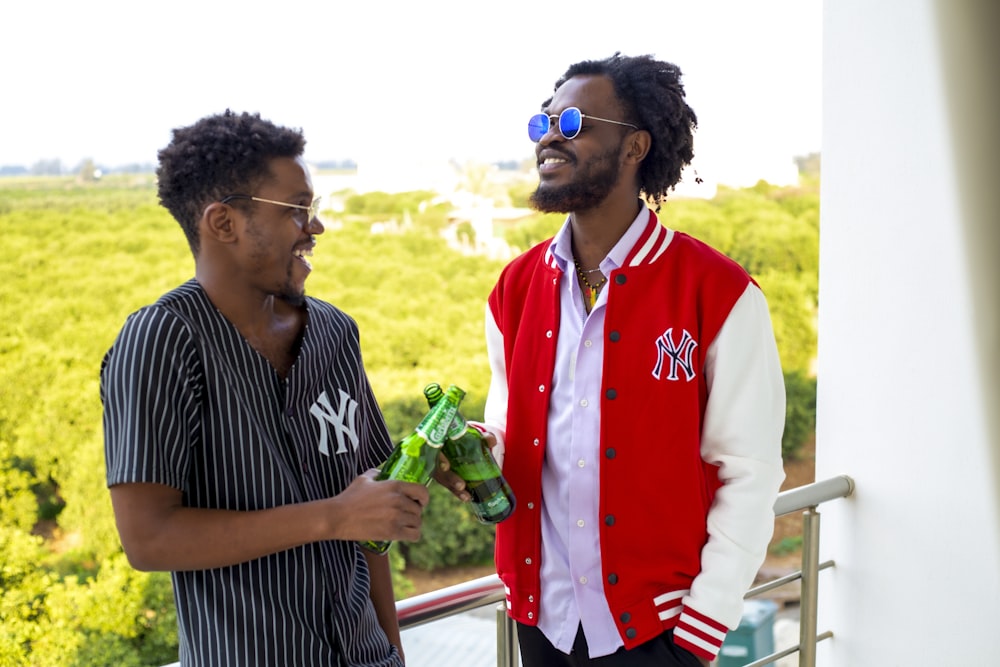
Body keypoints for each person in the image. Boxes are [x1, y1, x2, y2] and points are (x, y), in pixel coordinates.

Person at [479, 54, 787, 666]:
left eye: (572, 122)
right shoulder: (512, 289)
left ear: (634, 146)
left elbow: (750, 474)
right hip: (543, 624)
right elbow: (512, 435)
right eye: (542, 124)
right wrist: (475, 452)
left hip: (659, 632)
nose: (550, 138)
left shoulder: (719, 293)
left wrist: (699, 633)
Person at [100, 110, 429, 666]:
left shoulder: (334, 332)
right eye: (297, 210)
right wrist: (333, 516)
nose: (315, 227)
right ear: (223, 223)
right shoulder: (162, 340)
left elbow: (369, 514)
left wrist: (393, 652)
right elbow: (148, 540)